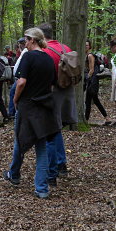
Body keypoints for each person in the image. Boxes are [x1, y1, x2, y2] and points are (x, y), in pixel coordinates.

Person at [3, 27, 59, 199]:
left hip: (28, 106)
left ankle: (14, 174)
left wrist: (15, 99)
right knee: (41, 147)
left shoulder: (28, 57)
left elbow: (21, 82)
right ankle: (41, 188)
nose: (24, 43)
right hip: (44, 106)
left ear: (33, 40)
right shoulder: (49, 59)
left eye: (26, 39)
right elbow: (51, 84)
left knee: (21, 140)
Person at [40, 23, 76, 184]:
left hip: (52, 95)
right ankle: (61, 164)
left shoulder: (45, 52)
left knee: (49, 133)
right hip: (67, 95)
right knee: (56, 130)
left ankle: (51, 171)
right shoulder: (66, 48)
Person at [85, 40, 109, 124]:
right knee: (95, 100)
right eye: (84, 45)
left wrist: (87, 79)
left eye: (87, 45)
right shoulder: (86, 55)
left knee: (88, 101)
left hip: (93, 81)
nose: (85, 46)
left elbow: (91, 70)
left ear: (90, 47)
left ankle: (86, 120)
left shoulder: (90, 56)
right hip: (93, 80)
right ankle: (107, 118)